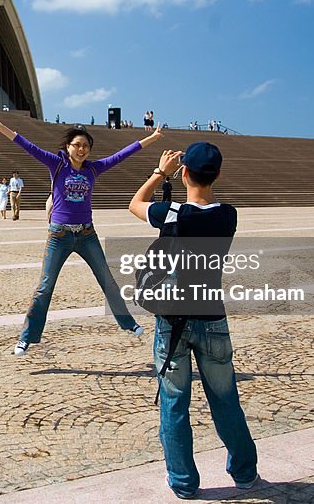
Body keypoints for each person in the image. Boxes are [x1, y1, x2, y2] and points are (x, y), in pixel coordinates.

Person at [128, 142, 259, 499]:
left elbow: (134, 204)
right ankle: (245, 472)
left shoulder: (172, 214)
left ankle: (184, 482)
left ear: (184, 172)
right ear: (217, 174)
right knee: (226, 398)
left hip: (173, 320)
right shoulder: (228, 215)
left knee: (174, 403)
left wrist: (159, 172)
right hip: (213, 317)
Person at [0, 114, 162, 355]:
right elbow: (27, 146)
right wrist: (0, 128)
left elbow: (121, 155)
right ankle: (26, 337)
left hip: (87, 234)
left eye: (86, 146)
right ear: (68, 147)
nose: (81, 149)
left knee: (108, 280)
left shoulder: (93, 169)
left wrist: (151, 138)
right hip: (59, 235)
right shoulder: (56, 164)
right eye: (77, 145)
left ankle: (128, 323)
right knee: (45, 287)